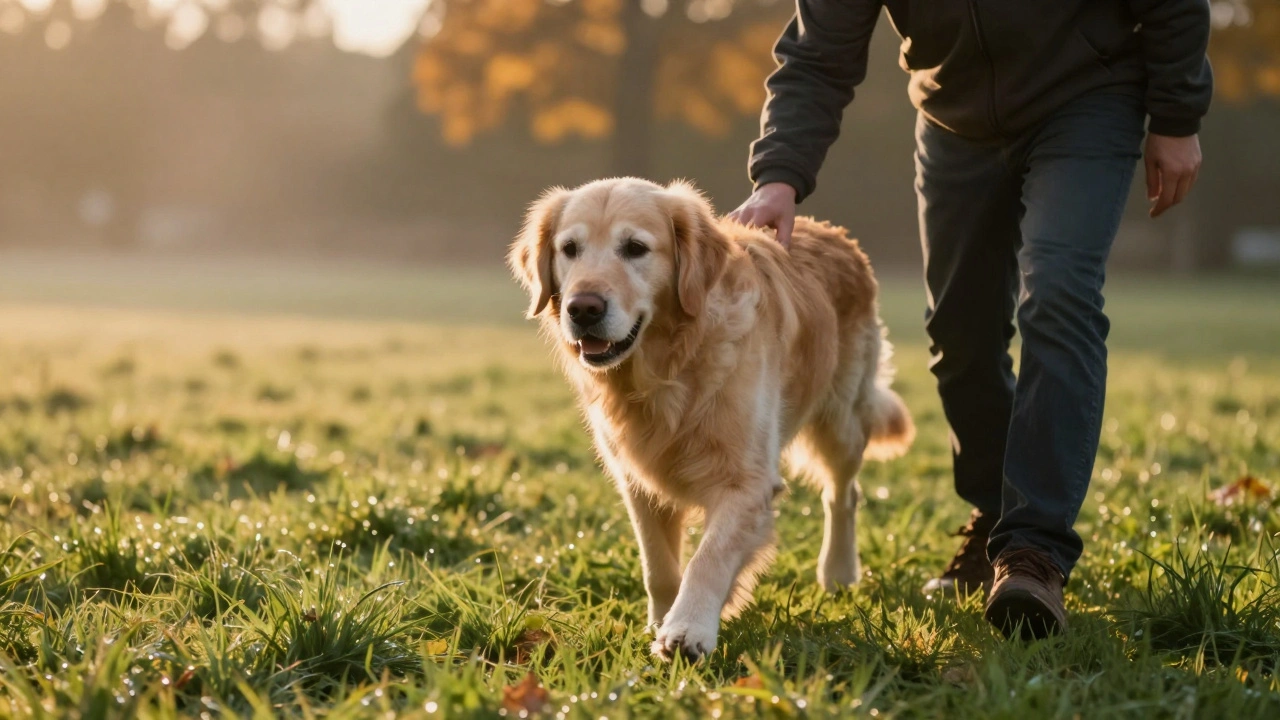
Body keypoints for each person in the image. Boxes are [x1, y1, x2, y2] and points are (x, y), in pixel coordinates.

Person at [728, 1, 1212, 638]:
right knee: (960, 333)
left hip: (1086, 98)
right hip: (954, 117)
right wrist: (779, 175)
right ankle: (994, 516)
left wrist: (1176, 117)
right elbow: (818, 52)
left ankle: (1033, 552)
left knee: (1059, 295)